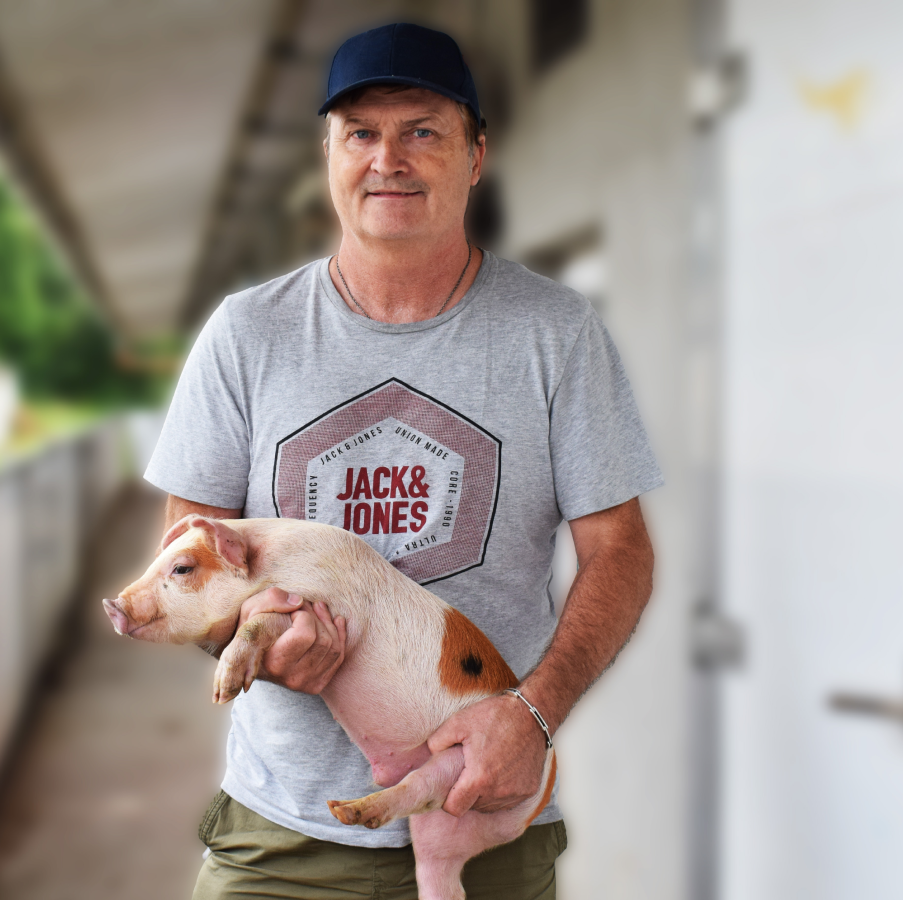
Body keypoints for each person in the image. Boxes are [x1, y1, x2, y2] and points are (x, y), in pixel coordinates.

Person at [143, 22, 662, 900]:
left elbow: (621, 552)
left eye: (422, 130)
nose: (389, 158)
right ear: (329, 156)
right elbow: (188, 548)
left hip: (482, 819)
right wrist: (254, 646)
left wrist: (532, 715)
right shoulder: (248, 334)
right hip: (283, 840)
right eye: (361, 133)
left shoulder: (554, 335)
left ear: (475, 154)